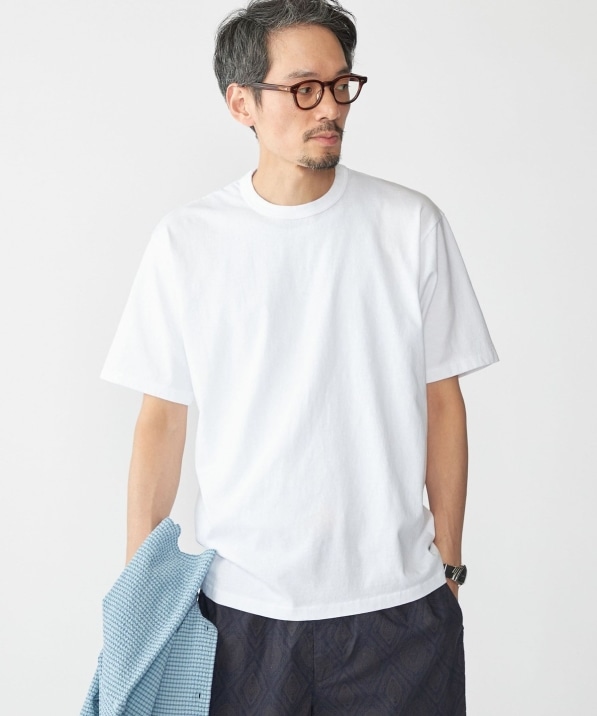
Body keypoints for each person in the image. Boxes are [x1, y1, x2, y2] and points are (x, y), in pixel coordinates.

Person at [101, 0, 498, 712]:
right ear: (241, 104)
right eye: (304, 88)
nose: (331, 107)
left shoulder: (409, 225)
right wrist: (140, 595)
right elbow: (160, 421)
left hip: (400, 611)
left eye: (341, 85)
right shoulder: (188, 241)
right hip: (238, 613)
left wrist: (451, 565)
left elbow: (443, 402)